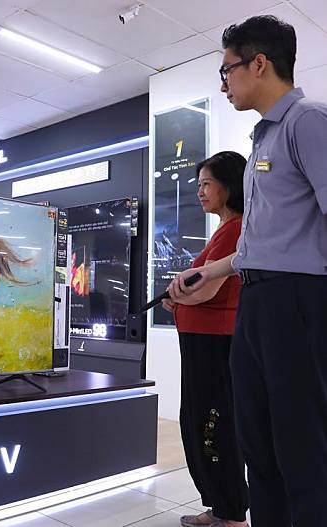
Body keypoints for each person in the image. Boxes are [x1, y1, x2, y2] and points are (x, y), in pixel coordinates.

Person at [169, 15, 327, 527]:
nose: (225, 82)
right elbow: (261, 243)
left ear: (259, 63)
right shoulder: (261, 140)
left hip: (297, 303)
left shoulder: (309, 122)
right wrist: (214, 269)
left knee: (301, 446)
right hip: (257, 305)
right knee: (257, 442)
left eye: (227, 70)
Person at [162, 152, 248, 527]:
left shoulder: (236, 228)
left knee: (213, 424)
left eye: (206, 184)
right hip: (201, 340)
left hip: (214, 342)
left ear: (229, 185)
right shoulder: (224, 228)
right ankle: (219, 507)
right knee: (197, 421)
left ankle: (230, 514)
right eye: (197, 185)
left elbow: (206, 291)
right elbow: (196, 289)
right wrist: (179, 297)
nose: (199, 191)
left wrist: (179, 295)